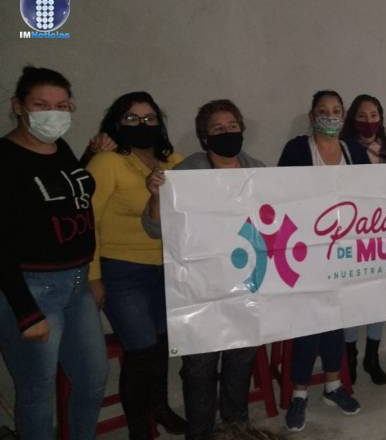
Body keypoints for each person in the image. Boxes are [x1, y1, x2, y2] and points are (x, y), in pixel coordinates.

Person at [143, 99, 264, 439]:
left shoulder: (258, 170)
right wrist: (156, 195)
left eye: (232, 126)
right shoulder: (186, 173)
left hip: (246, 283)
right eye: (218, 128)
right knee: (199, 368)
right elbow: (153, 229)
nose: (227, 132)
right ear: (205, 138)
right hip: (199, 288)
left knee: (241, 362)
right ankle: (200, 433)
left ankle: (236, 430)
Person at [0, 66, 108, 439]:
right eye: (41, 104)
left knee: (93, 379)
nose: (53, 114)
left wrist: (90, 154)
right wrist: (26, 313)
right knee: (37, 393)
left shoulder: (58, 147)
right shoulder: (5, 158)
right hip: (32, 289)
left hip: (77, 283)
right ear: (18, 106)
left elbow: (64, 193)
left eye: (62, 106)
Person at [85, 91, 186, 438]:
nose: (142, 124)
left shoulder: (173, 160)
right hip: (122, 271)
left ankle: (160, 408)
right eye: (132, 118)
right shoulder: (107, 162)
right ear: (117, 122)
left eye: (149, 118)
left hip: (167, 268)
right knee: (141, 349)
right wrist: (94, 277)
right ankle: (139, 429)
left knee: (161, 345)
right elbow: (88, 223)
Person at [277, 90, 366, 432]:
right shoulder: (297, 149)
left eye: (336, 110)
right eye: (323, 110)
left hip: (344, 248)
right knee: (309, 323)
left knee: (336, 318)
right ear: (312, 116)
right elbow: (281, 193)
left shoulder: (354, 150)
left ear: (343, 116)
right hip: (305, 249)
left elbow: (374, 193)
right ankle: (298, 393)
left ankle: (333, 385)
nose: (330, 116)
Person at [339, 94, 386, 386]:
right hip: (350, 231)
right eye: (362, 116)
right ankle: (349, 354)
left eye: (373, 115)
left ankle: (372, 356)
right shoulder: (342, 148)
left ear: (381, 118)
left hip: (382, 231)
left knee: (378, 297)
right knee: (351, 297)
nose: (368, 121)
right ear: (352, 119)